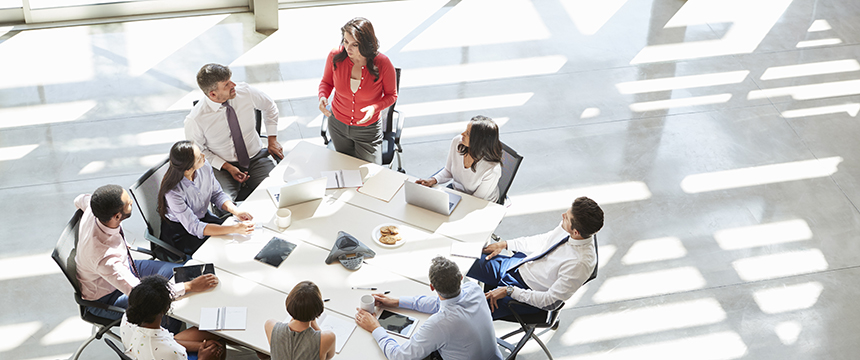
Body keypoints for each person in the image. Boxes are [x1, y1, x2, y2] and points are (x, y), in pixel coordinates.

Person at [74, 184, 219, 327]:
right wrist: (189, 286)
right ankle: (173, 343)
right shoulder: (106, 258)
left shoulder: (95, 208)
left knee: (182, 271)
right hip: (108, 297)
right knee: (168, 308)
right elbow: (145, 296)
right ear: (117, 216)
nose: (131, 201)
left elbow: (79, 199)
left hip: (127, 265)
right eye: (129, 203)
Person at [466, 196, 603, 319]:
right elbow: (544, 241)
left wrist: (510, 291)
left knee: (466, 314)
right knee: (462, 259)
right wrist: (506, 244)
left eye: (566, 217)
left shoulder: (580, 264)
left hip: (523, 294)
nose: (562, 216)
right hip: (517, 266)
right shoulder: (569, 228)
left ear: (576, 232)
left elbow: (550, 302)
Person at [354, 256, 502, 360]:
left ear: (432, 287)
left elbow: (399, 356)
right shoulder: (474, 289)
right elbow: (440, 303)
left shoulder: (440, 323)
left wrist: (375, 328)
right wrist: (397, 302)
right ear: (461, 278)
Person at [185, 63, 283, 202]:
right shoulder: (195, 120)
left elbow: (270, 107)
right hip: (222, 167)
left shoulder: (246, 92)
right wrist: (228, 167)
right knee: (225, 204)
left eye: (230, 80)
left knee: (278, 193)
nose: (233, 85)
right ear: (213, 94)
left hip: (255, 157)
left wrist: (272, 140)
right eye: (226, 84)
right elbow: (198, 152)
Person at [318, 17, 398, 164]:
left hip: (368, 131)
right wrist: (323, 96)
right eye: (345, 41)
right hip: (337, 126)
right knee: (345, 170)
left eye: (354, 44)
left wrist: (375, 108)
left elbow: (391, 95)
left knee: (370, 177)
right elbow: (326, 82)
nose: (348, 48)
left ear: (367, 44)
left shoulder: (383, 63)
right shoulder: (335, 56)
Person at [158, 140, 255, 256]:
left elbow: (217, 194)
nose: (204, 156)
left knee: (238, 239)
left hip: (203, 218)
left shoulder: (204, 166)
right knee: (223, 247)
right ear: (188, 169)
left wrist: (237, 211)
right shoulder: (173, 192)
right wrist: (234, 228)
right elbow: (194, 227)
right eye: (199, 157)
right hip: (182, 233)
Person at [121, 275, 226, 360]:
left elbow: (167, 340)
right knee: (218, 346)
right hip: (161, 353)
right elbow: (169, 347)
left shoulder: (129, 317)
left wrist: (199, 346)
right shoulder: (171, 352)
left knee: (211, 334)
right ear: (166, 309)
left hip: (147, 352)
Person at [416, 116, 503, 202]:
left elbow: (476, 201)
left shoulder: (492, 169)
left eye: (468, 133)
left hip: (480, 204)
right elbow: (448, 171)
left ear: (479, 141)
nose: (462, 134)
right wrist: (432, 180)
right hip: (458, 194)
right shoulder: (458, 142)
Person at [265, 281, 336, 360]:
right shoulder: (328, 337)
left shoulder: (270, 326)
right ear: (318, 309)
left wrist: (298, 313)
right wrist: (313, 322)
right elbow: (327, 357)